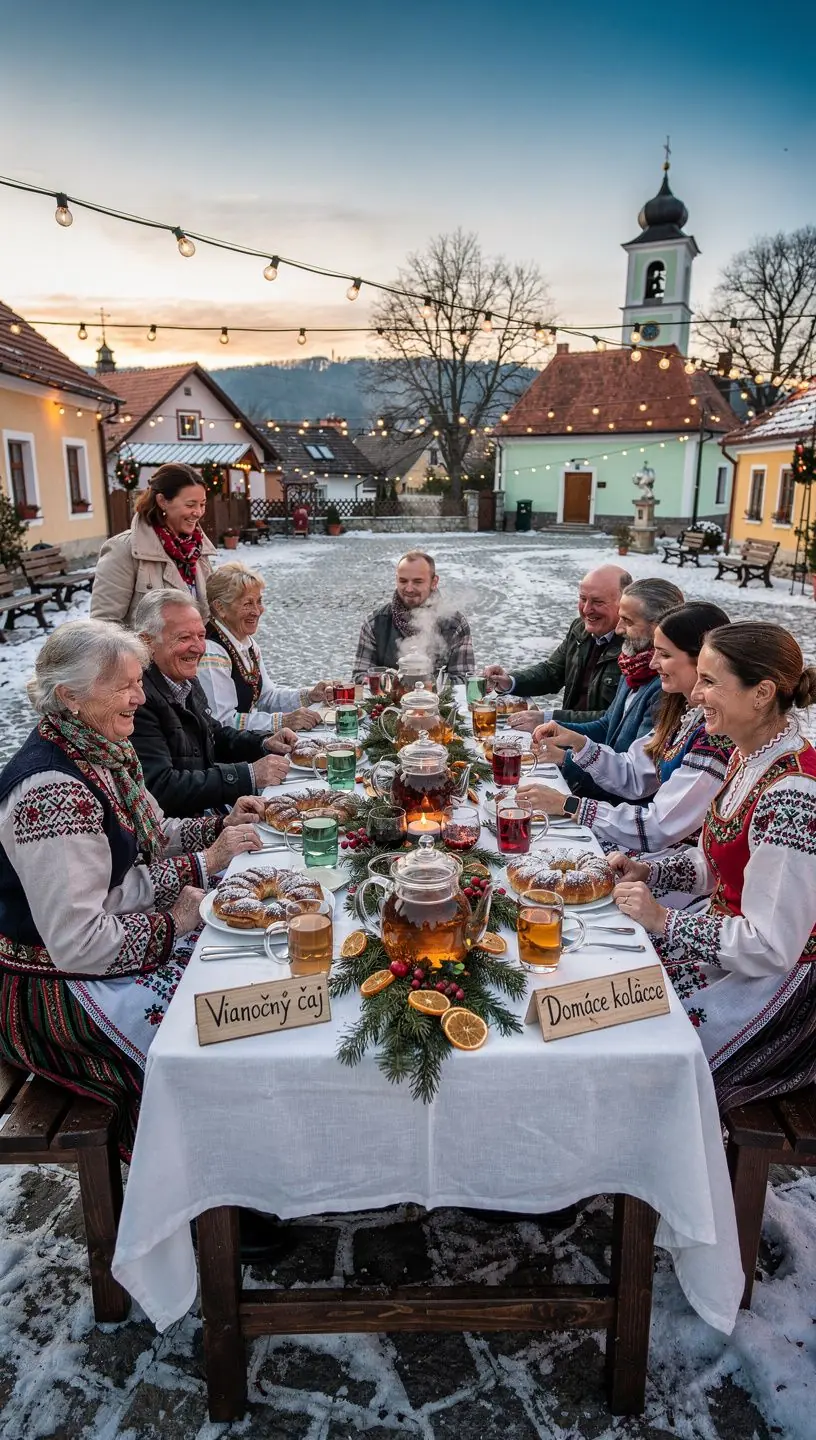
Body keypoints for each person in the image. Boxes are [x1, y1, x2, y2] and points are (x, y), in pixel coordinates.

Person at [0, 620, 268, 1156]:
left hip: (95, 955)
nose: (139, 697)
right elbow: (81, 940)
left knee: (251, 970)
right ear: (68, 697)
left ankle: (246, 1165)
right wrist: (177, 919)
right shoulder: (51, 794)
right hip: (54, 990)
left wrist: (219, 830)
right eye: (124, 686)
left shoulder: (102, 753)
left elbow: (151, 839)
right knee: (213, 1033)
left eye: (138, 682)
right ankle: (210, 1188)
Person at [611, 621, 816, 1112]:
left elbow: (771, 947)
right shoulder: (753, 758)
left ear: (762, 693)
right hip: (728, 950)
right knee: (604, 986)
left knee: (630, 1044)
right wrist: (652, 874)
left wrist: (664, 920)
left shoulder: (793, 794)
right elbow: (718, 863)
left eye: (709, 682)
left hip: (774, 991)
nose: (696, 695)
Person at [520, 602, 733, 852]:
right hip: (650, 844)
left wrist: (569, 805)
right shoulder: (682, 711)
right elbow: (634, 773)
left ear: (701, 661)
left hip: (673, 858)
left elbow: (659, 827)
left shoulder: (715, 735)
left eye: (664, 655)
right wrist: (579, 743)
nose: (653, 664)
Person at [131, 591, 293, 817]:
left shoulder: (184, 679)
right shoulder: (137, 700)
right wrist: (249, 775)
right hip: (182, 827)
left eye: (201, 636)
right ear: (146, 642)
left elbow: (214, 735)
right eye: (184, 638)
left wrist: (264, 743)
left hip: (208, 810)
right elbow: (162, 787)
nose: (198, 648)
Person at [538, 577, 683, 803]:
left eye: (627, 620)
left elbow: (636, 782)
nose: (618, 629)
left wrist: (567, 759)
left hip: (621, 811)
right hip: (604, 796)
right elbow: (608, 724)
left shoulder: (667, 688)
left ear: (658, 627)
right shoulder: (634, 666)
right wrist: (561, 730)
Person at [484, 565, 631, 727]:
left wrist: (549, 718)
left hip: (601, 747)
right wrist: (510, 681)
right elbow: (552, 672)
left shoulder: (634, 646)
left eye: (598, 602)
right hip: (568, 738)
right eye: (583, 599)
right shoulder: (580, 628)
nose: (587, 609)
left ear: (624, 604)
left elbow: (615, 719)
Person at [198, 562, 329, 734]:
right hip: (226, 753)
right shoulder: (211, 651)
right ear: (220, 607)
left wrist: (309, 696)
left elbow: (266, 698)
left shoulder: (246, 643)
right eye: (247, 604)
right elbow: (223, 721)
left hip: (245, 742)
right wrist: (283, 721)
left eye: (259, 601)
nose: (257, 611)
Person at [91, 463, 215, 625]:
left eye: (202, 504)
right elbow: (104, 626)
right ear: (162, 501)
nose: (198, 512)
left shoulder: (197, 549)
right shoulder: (123, 549)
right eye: (190, 505)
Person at [352, 550, 474, 683]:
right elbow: (359, 677)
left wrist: (422, 684)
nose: (409, 589)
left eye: (417, 582)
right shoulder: (375, 622)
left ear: (434, 582)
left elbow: (464, 679)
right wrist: (395, 686)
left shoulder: (455, 624)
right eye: (403, 581)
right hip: (387, 703)